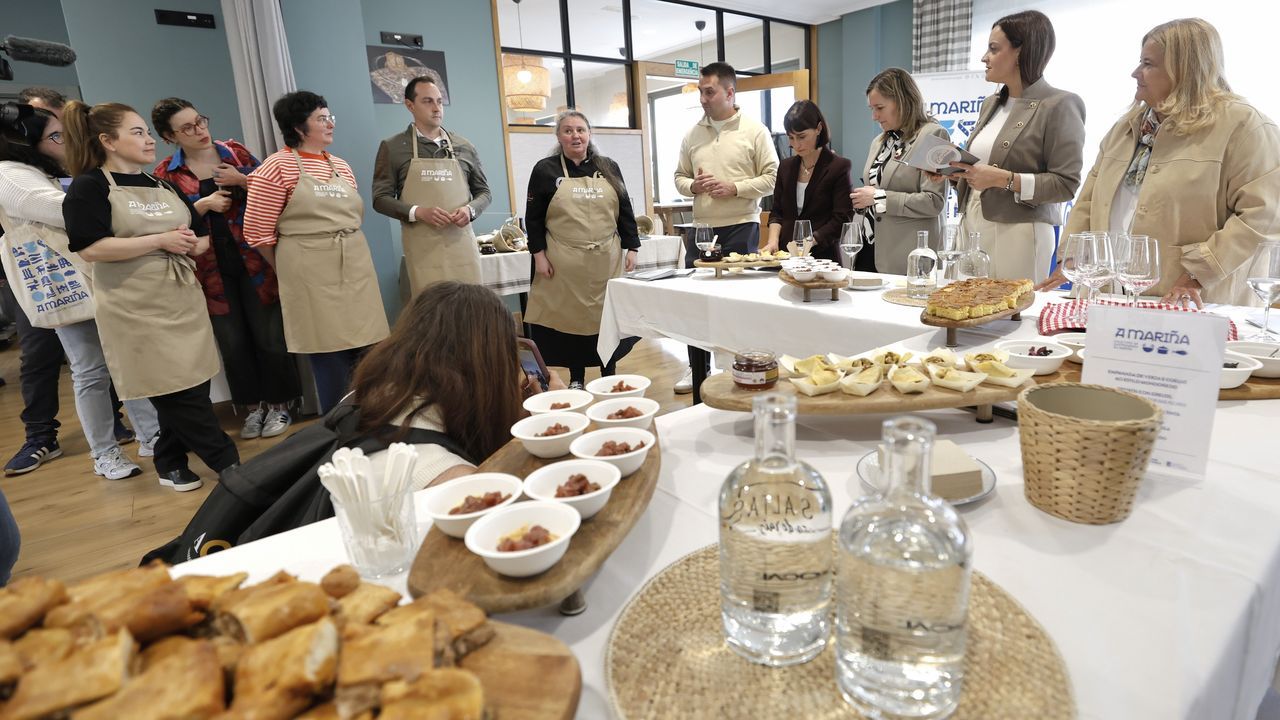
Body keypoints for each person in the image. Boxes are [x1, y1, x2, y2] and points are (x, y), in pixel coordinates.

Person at [1038, 18, 1280, 307]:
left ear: (1184, 69)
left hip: (1196, 301)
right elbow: (1088, 201)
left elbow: (1263, 216)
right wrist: (1073, 258)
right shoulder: (1125, 128)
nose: (1135, 73)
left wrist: (1198, 273)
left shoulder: (1244, 126)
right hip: (1111, 298)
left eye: (1148, 64)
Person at [62, 101, 239, 492]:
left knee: (191, 384)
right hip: (133, 305)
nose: (147, 140)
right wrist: (160, 240)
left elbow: (199, 233)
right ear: (107, 141)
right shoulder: (89, 187)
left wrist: (192, 245)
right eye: (137, 132)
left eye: (145, 131)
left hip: (180, 298)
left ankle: (169, 460)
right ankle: (231, 466)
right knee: (173, 388)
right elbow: (90, 248)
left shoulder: (162, 184)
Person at [0, 104, 160, 480]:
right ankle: (105, 454)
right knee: (90, 370)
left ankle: (152, 436)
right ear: (23, 139)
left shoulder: (45, 172)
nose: (65, 142)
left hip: (94, 278)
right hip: (68, 286)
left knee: (123, 361)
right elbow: (71, 213)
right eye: (55, 136)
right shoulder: (10, 174)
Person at [151, 97, 299, 439]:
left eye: (200, 121)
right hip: (208, 270)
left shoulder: (236, 154)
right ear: (170, 137)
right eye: (187, 128)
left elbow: (276, 190)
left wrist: (242, 178)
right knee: (232, 342)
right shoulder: (166, 174)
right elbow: (165, 222)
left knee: (270, 336)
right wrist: (201, 205)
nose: (199, 130)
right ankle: (251, 408)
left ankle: (279, 406)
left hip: (255, 260)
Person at [244, 91, 390, 413]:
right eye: (321, 118)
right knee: (329, 354)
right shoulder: (275, 168)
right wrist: (289, 268)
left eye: (330, 117)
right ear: (298, 127)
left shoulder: (340, 166)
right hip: (308, 269)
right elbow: (257, 232)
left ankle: (375, 420)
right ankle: (339, 433)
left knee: (369, 349)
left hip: (354, 264)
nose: (330, 124)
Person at [355, 281, 565, 490]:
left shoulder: (373, 396)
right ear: (487, 369)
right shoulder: (455, 482)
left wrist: (515, 417)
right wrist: (554, 425)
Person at [944, 10, 1085, 283]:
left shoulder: (1060, 104)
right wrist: (951, 174)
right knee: (966, 311)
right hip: (971, 223)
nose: (984, 58)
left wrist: (1005, 179)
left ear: (1021, 52)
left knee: (1010, 316)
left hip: (1019, 232)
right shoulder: (991, 104)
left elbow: (1065, 184)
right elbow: (981, 174)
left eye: (993, 49)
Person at [673, 61, 779, 393]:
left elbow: (773, 178)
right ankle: (696, 369)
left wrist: (735, 188)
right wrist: (694, 187)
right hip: (701, 230)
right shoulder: (692, 133)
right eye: (700, 91)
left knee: (737, 306)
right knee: (696, 306)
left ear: (729, 92)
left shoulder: (755, 130)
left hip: (741, 226)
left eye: (709, 91)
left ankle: (742, 367)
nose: (703, 98)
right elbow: (679, 178)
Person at [525, 110, 639, 390]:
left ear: (589, 135)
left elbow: (625, 209)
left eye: (580, 130)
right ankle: (576, 377)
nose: (575, 135)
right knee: (571, 322)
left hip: (606, 259)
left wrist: (632, 246)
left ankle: (608, 372)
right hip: (563, 262)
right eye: (568, 130)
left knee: (606, 320)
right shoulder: (545, 170)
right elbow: (533, 218)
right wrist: (539, 255)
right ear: (558, 136)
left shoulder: (609, 167)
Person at [372, 76, 492, 293]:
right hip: (423, 250)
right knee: (432, 314)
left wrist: (470, 210)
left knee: (469, 309)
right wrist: (418, 212)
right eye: (428, 101)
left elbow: (484, 192)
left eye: (439, 101)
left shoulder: (464, 146)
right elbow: (380, 199)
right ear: (410, 105)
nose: (437, 108)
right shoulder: (394, 147)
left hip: (462, 247)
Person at [851, 68, 950, 274]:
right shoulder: (879, 141)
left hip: (907, 256)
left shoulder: (933, 136)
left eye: (879, 107)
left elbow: (934, 202)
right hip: (870, 249)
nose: (874, 116)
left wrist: (879, 198)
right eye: (871, 109)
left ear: (903, 101)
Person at [764, 100, 852, 263]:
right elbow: (777, 213)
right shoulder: (786, 167)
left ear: (818, 128)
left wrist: (810, 241)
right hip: (786, 257)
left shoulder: (838, 167)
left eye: (802, 136)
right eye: (791, 138)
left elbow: (842, 219)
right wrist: (772, 241)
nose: (796, 144)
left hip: (822, 257)